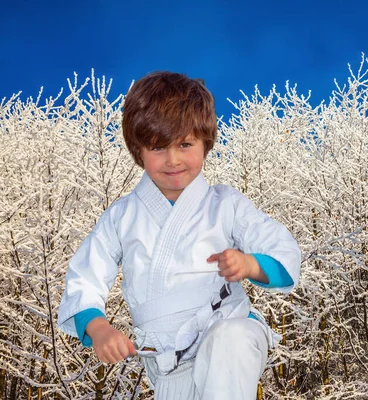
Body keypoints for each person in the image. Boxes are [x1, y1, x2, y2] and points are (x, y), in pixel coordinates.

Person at [57, 72, 301, 399]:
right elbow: (86, 274)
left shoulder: (225, 204)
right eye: (159, 147)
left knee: (229, 340)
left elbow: (283, 249)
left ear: (206, 143)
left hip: (231, 328)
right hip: (168, 360)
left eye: (185, 144)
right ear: (138, 150)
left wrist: (250, 264)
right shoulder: (122, 216)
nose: (173, 159)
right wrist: (98, 328)